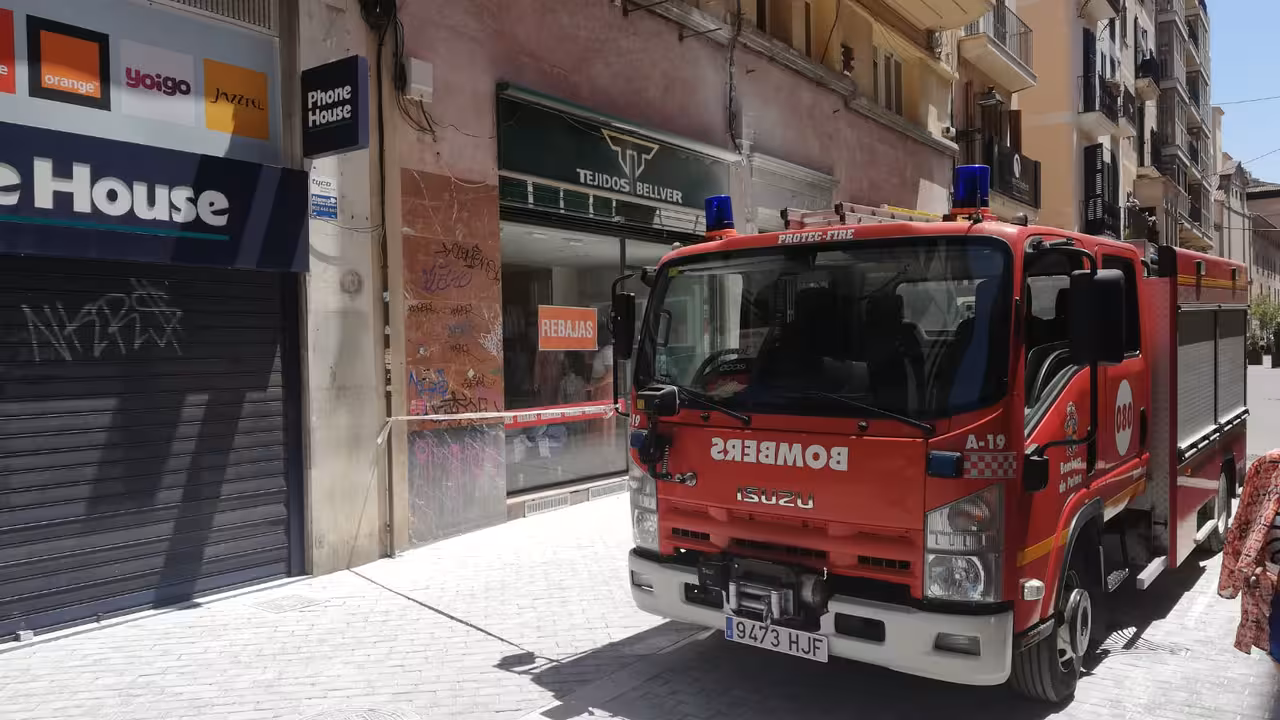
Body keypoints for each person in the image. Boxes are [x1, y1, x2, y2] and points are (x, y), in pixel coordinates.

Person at [1219, 450, 1280, 665]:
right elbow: (1242, 524)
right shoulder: (1269, 466)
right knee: (1276, 651)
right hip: (1274, 594)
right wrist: (1231, 580)